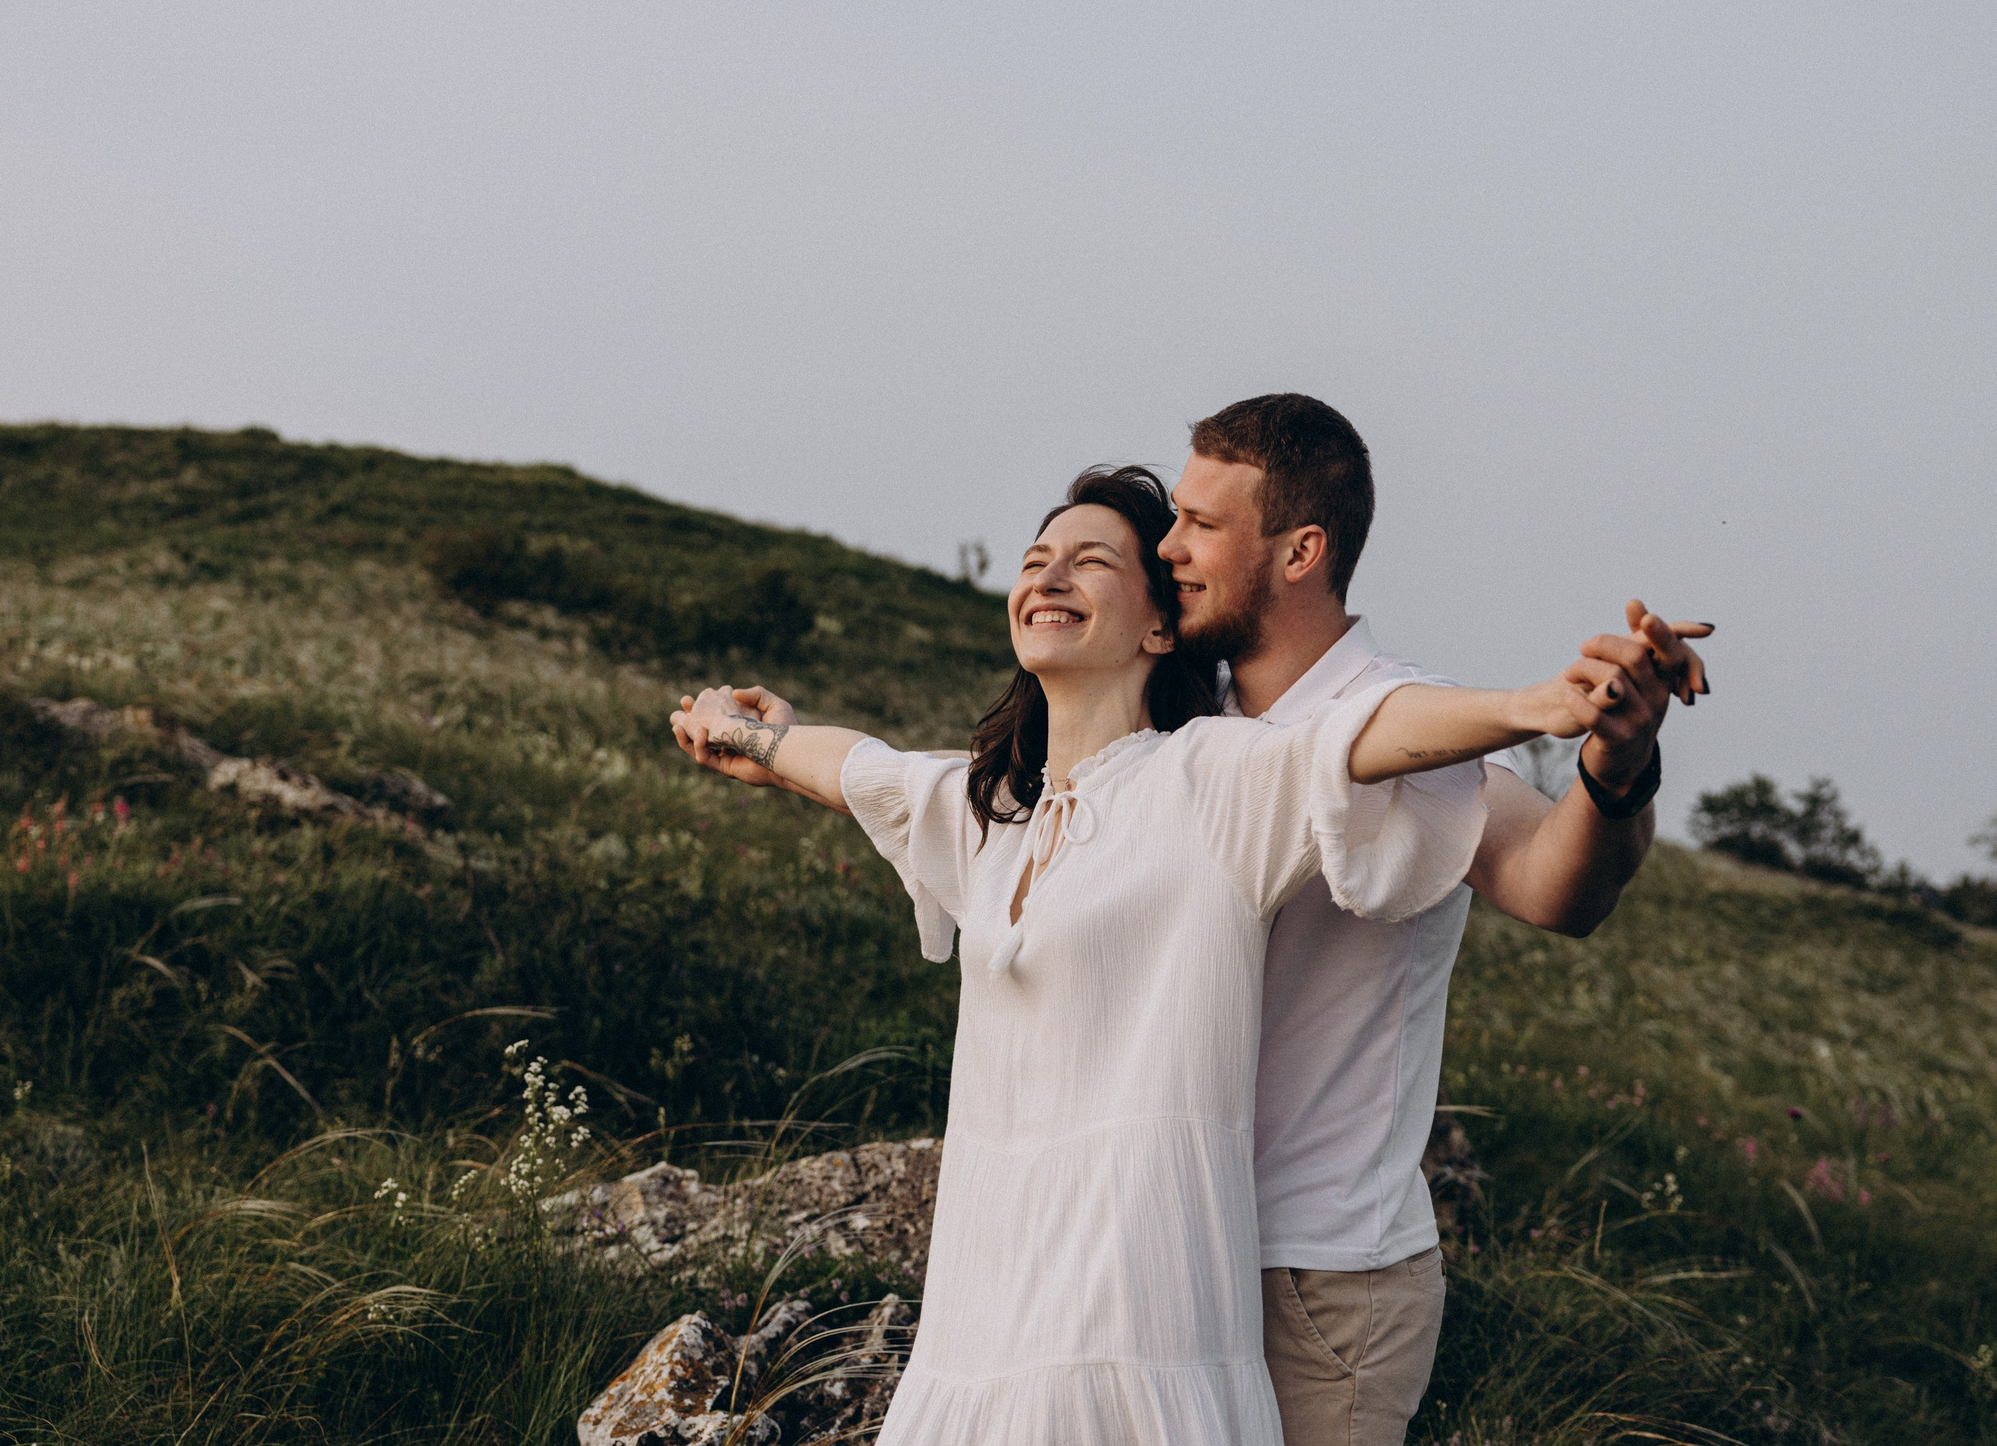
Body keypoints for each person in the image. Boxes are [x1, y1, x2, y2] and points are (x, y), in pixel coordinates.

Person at [670, 464, 1675, 1446]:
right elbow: (870, 773)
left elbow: (1356, 742)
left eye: (1105, 558)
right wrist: (756, 741)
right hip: (992, 1307)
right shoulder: (994, 808)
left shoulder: (1216, 775)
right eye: (1036, 557)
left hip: (1182, 1302)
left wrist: (1542, 709)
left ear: (1170, 618)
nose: (1053, 576)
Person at [1159, 393, 1707, 1446]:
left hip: (1322, 1272)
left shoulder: (1408, 717)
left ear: (1299, 551)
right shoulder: (1184, 706)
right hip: (1178, 1247)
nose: (1169, 546)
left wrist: (1616, 763)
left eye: (1201, 525)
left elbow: (1556, 889)